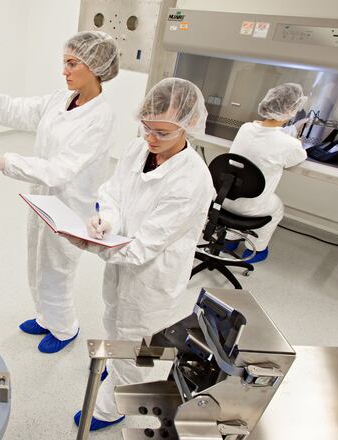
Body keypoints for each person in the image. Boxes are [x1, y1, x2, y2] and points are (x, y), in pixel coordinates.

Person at [0, 31, 119, 353]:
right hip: (43, 197)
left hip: (69, 204)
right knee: (36, 264)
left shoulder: (100, 117)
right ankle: (46, 316)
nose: (64, 70)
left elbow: (61, 169)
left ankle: (64, 328)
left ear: (94, 67)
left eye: (72, 63)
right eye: (64, 62)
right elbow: (12, 109)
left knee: (56, 270)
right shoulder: (61, 99)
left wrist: (3, 162)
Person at [66, 78, 215, 430]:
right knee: (114, 319)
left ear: (187, 128)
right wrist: (106, 218)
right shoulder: (139, 150)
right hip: (121, 262)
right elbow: (115, 192)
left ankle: (116, 402)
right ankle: (118, 372)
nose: (151, 138)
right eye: (146, 127)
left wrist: (93, 244)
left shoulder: (192, 181)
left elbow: (145, 246)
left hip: (152, 275)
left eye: (162, 133)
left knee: (136, 340)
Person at [223, 83, 308, 263]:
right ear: (291, 110)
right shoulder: (289, 144)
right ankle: (254, 251)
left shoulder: (245, 128)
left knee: (243, 191)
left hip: (224, 197)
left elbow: (267, 136)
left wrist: (289, 134)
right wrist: (296, 138)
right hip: (250, 207)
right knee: (277, 208)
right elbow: (298, 157)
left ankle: (229, 241)